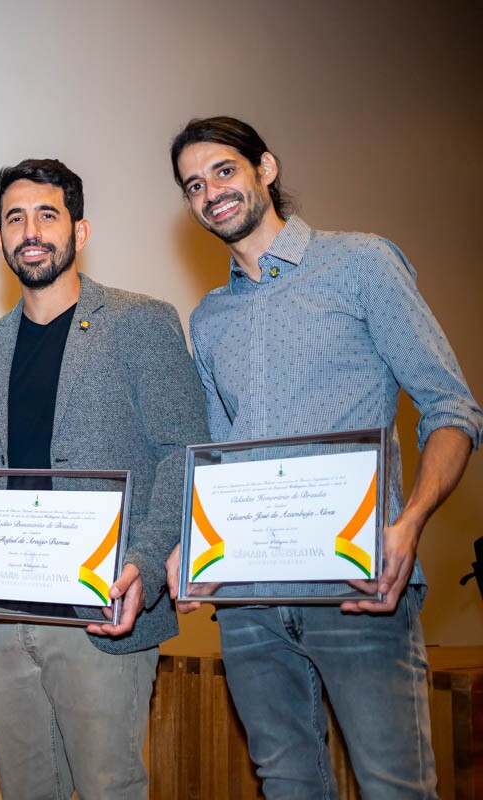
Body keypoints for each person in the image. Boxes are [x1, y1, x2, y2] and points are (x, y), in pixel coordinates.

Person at [167, 116, 483, 798]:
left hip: (359, 589)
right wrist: (192, 548)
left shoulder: (362, 263)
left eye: (224, 170)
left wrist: (412, 521)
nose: (211, 192)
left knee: (394, 786)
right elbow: (217, 460)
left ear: (266, 168)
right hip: (247, 602)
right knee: (286, 783)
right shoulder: (210, 317)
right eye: (194, 184)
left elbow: (451, 408)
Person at [0, 159, 209, 799]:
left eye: (47, 215)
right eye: (15, 218)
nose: (31, 231)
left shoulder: (140, 321)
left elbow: (183, 453)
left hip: (100, 614)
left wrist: (144, 560)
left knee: (109, 789)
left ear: (79, 230)